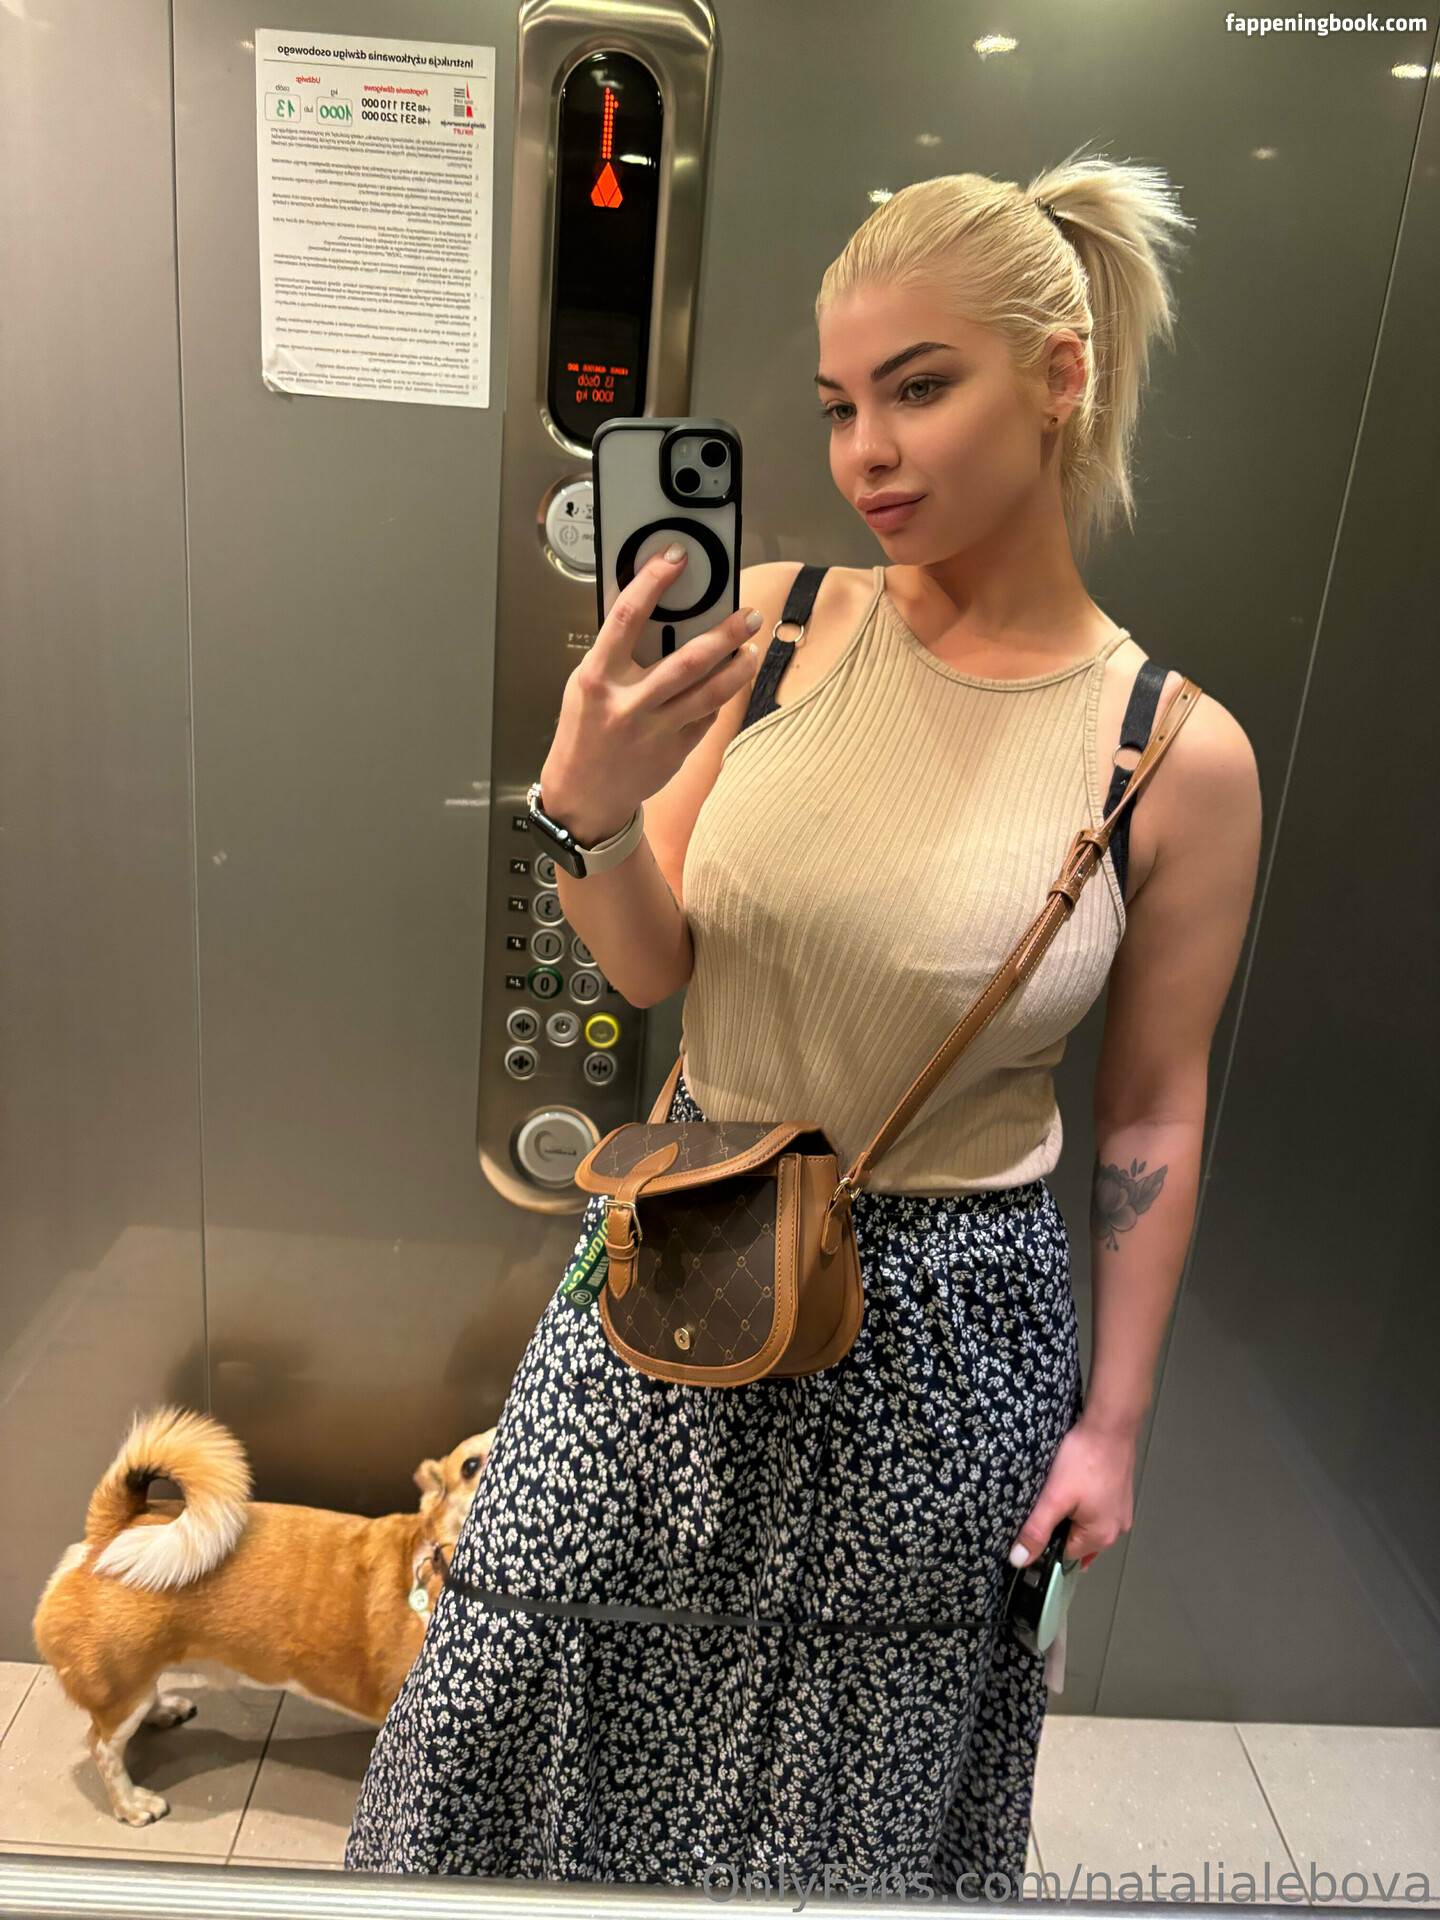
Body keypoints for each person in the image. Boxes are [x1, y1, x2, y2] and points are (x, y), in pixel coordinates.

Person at [344, 150, 1261, 1895]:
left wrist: (1117, 1425)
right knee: (519, 1698)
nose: (866, 454)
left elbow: (1153, 1110)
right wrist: (586, 811)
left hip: (953, 1335)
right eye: (842, 404)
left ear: (1059, 376)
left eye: (920, 389)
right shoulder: (771, 630)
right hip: (683, 1253)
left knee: (843, 1796)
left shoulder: (1171, 752)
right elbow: (648, 966)